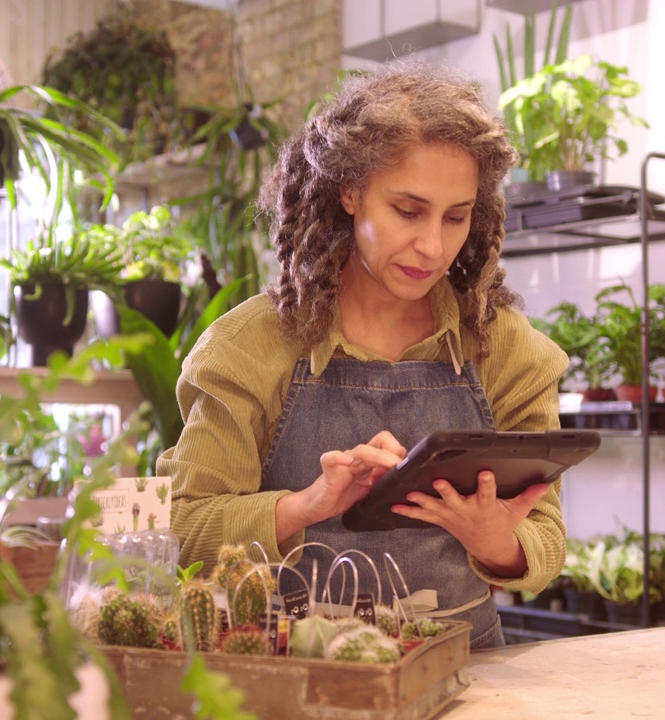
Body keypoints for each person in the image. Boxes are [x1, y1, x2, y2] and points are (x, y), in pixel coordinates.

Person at [157, 62, 568, 649]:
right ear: (349, 191)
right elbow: (180, 527)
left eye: (456, 217)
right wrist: (305, 505)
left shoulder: (503, 347)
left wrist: (496, 540)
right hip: (300, 675)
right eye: (408, 210)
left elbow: (547, 540)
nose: (432, 246)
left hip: (467, 675)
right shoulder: (250, 346)